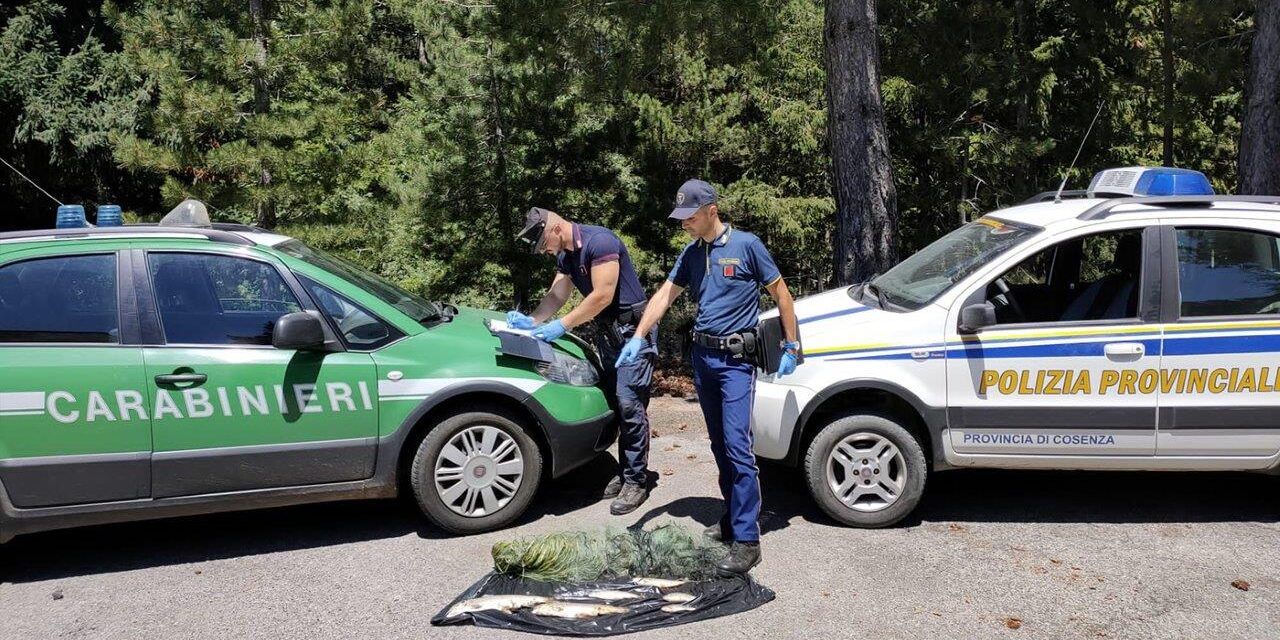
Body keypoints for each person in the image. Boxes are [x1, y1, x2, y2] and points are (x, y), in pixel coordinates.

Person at [616, 179, 801, 576]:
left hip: (736, 363)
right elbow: (665, 295)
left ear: (712, 210)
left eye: (691, 216)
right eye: (681, 217)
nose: (684, 223)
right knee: (719, 445)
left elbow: (782, 294)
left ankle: (748, 540)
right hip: (703, 360)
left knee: (737, 446)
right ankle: (733, 518)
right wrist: (637, 336)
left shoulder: (747, 245)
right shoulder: (691, 254)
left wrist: (791, 346)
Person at [510, 207, 657, 515]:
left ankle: (636, 481)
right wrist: (533, 321)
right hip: (607, 332)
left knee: (630, 403)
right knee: (615, 403)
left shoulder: (599, 242)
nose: (546, 252)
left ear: (555, 230)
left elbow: (603, 294)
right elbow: (556, 296)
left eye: (544, 245)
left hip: (633, 330)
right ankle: (625, 472)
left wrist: (561, 326)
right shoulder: (566, 255)